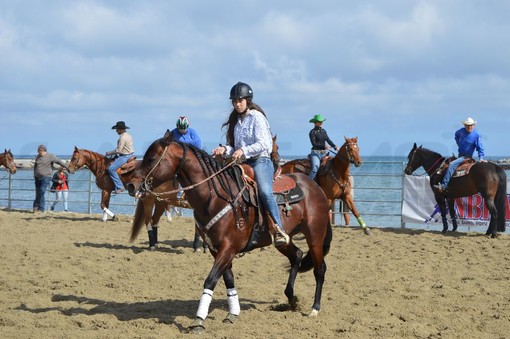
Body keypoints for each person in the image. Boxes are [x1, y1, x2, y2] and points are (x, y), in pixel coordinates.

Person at [212, 82, 289, 247]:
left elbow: (265, 144)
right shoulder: (237, 121)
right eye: (234, 101)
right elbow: (235, 147)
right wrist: (224, 149)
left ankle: (279, 228)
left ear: (248, 100)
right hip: (244, 162)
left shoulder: (257, 117)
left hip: (261, 160)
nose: (237, 104)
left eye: (240, 100)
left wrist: (244, 151)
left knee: (265, 191)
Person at [434, 117, 486, 193]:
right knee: (445, 164)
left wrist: (481, 158)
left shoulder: (476, 135)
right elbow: (456, 135)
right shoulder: (460, 132)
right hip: (460, 155)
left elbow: (480, 147)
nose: (469, 127)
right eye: (468, 125)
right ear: (465, 125)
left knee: (451, 164)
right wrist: (459, 143)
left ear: (474, 125)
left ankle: (444, 186)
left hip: (467, 157)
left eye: (471, 125)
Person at [33, 145, 68, 212]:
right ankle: (37, 207)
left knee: (42, 191)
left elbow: (59, 161)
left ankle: (40, 208)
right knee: (38, 192)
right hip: (37, 177)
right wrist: (34, 174)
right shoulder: (38, 156)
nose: (37, 152)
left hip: (46, 177)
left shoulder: (50, 156)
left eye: (38, 150)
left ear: (43, 150)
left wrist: (67, 167)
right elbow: (35, 166)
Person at [308, 114, 340, 179]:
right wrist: (324, 146)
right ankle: (308, 182)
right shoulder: (312, 132)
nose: (321, 123)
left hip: (324, 154)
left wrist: (335, 146)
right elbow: (314, 144)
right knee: (315, 169)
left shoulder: (323, 131)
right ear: (315, 122)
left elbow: (328, 140)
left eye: (322, 121)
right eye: (319, 121)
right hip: (315, 153)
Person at [106, 121, 134, 194]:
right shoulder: (128, 135)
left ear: (121, 129)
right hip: (130, 154)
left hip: (125, 156)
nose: (116, 131)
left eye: (117, 129)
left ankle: (120, 186)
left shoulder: (123, 137)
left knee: (111, 169)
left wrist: (109, 153)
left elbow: (119, 150)